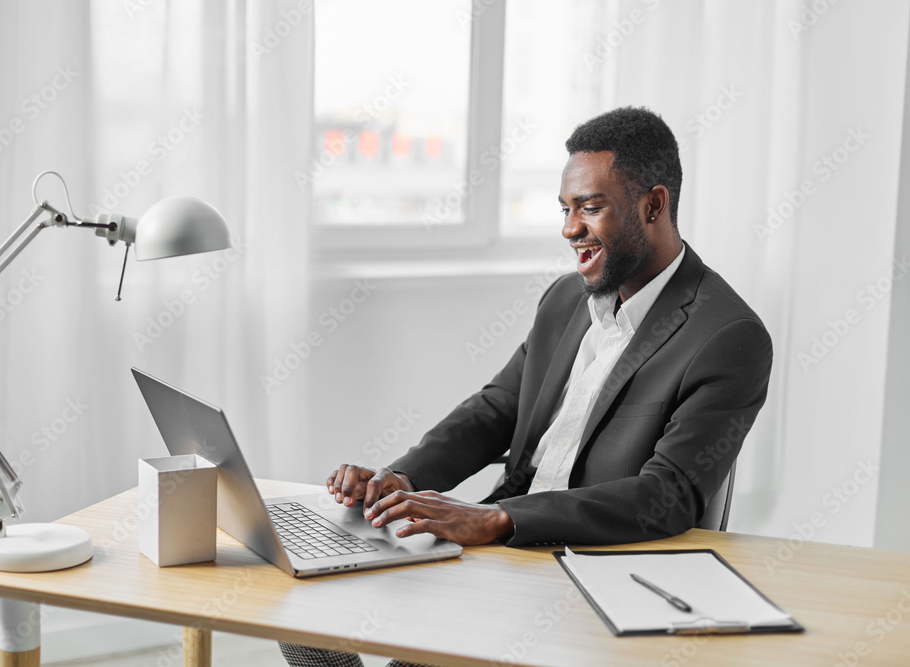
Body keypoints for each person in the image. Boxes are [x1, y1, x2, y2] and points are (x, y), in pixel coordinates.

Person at [280, 106, 773, 666]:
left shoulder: (727, 335)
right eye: (565, 209)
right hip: (497, 542)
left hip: (586, 567)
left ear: (653, 205)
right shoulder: (566, 299)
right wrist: (402, 480)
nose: (569, 229)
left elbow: (669, 495)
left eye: (590, 207)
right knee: (303, 603)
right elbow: (497, 409)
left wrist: (500, 519)